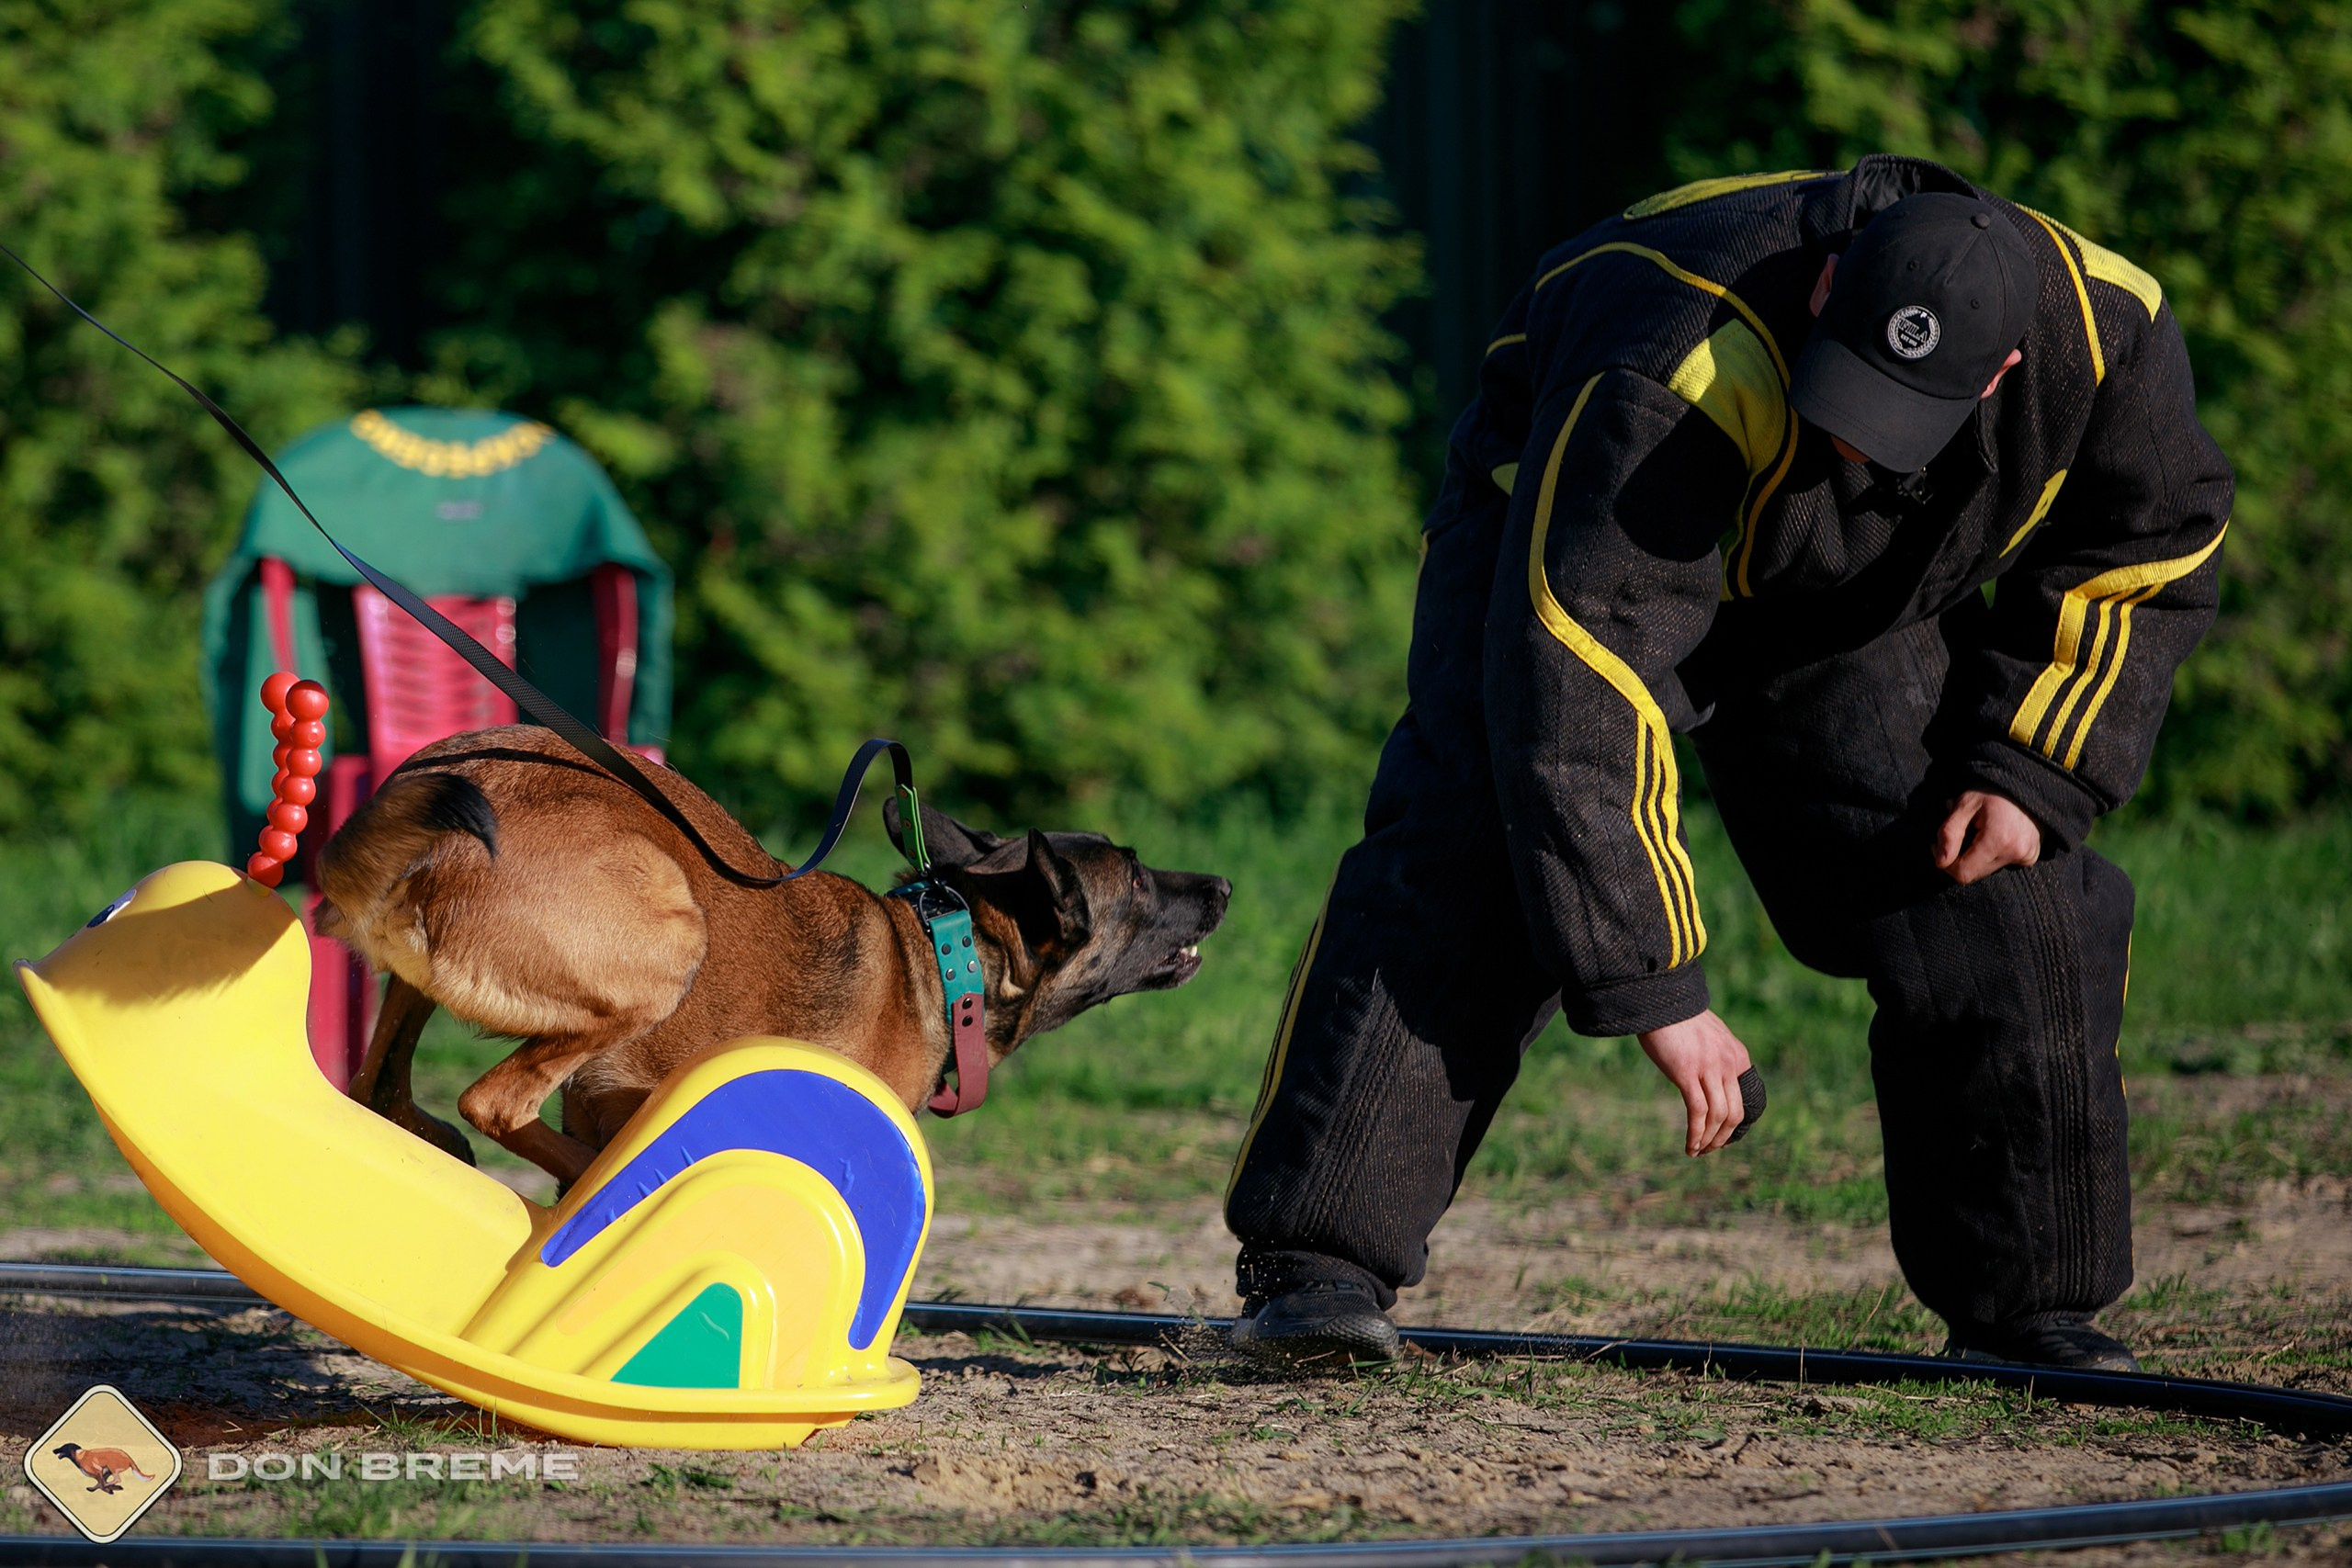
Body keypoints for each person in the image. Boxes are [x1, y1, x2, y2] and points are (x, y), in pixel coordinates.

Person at [1223, 155, 2232, 1372]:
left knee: (2001, 888)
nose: (1856, 440)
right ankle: (1315, 1272)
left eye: (1897, 416)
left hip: (1855, 589)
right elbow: (1580, 698)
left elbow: (2153, 548)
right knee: (1478, 846)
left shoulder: (2109, 334)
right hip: (1580, 517)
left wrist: (2036, 768)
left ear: (2002, 374)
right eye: (1847, 390)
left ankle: (2030, 1312)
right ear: (1825, 298)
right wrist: (1660, 986)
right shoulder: (1673, 356)